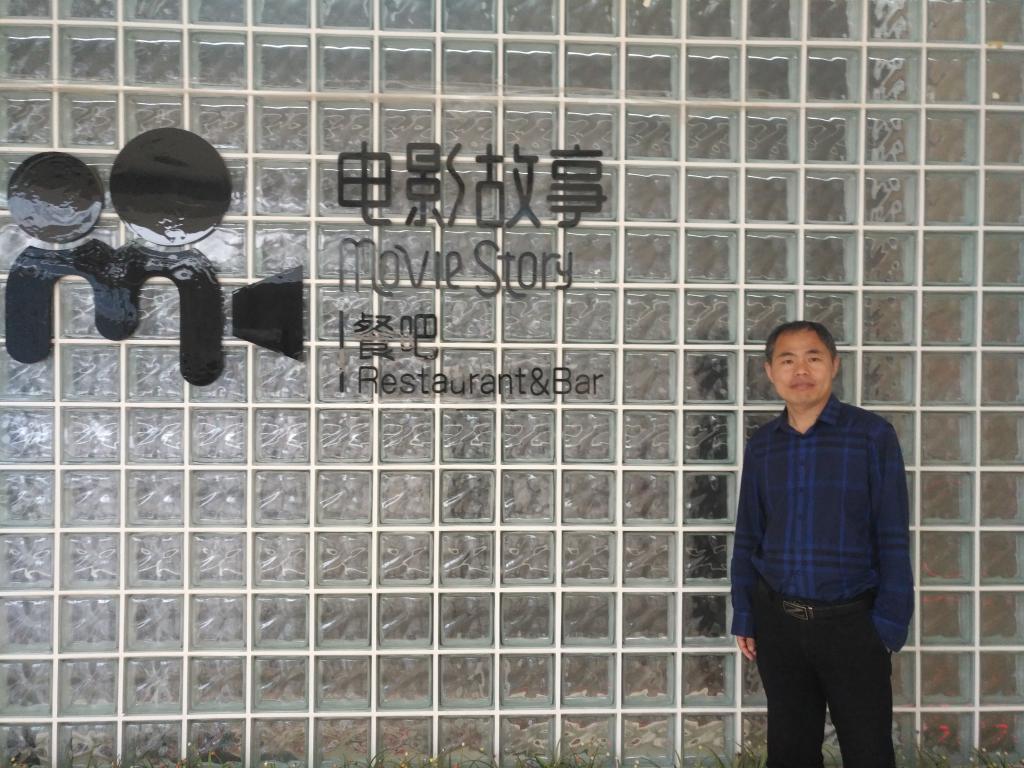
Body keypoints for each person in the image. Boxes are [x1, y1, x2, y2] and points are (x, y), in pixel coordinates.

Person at [730, 320, 914, 768]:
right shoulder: (763, 445)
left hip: (854, 625)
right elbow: (749, 533)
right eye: (787, 360)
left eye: (813, 358)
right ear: (770, 371)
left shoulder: (871, 436)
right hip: (780, 626)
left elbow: (892, 532)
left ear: (834, 365)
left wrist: (888, 624)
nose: (801, 370)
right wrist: (746, 613)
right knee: (789, 753)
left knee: (869, 753)